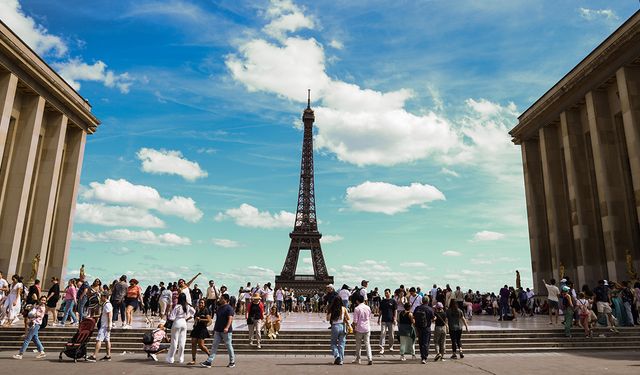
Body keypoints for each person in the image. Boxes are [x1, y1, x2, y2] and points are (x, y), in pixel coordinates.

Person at [200, 293, 235, 368]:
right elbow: (217, 319)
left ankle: (232, 361)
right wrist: (214, 328)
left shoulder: (229, 308)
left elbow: (230, 319)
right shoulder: (219, 308)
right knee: (214, 346)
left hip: (226, 331)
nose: (220, 299)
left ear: (225, 300)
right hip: (218, 330)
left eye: (221, 298)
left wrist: (227, 327)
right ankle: (209, 361)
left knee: (229, 346)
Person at [13, 295, 47, 359]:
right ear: (40, 300)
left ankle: (20, 354)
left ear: (45, 301)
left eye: (44, 300)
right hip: (33, 323)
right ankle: (42, 352)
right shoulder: (38, 306)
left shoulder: (42, 308)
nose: (43, 301)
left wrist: (33, 313)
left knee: (27, 339)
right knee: (35, 338)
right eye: (42, 300)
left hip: (36, 324)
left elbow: (39, 315)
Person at [166, 293, 194, 364]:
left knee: (174, 341)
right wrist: (188, 317)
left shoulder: (177, 306)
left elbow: (172, 317)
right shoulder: (187, 306)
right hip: (184, 323)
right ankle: (181, 358)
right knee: (182, 342)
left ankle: (171, 358)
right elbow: (194, 312)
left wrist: (168, 315)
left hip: (177, 322)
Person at [87, 291, 113, 362]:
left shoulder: (107, 305)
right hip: (106, 325)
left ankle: (94, 356)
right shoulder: (106, 304)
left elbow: (109, 315)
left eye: (101, 296)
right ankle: (108, 355)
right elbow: (105, 315)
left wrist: (109, 325)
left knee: (99, 340)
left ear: (105, 297)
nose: (100, 298)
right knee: (107, 340)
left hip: (105, 326)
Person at [327, 295, 350, 365]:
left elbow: (327, 319)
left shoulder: (331, 308)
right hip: (342, 327)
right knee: (341, 344)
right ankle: (341, 360)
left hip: (335, 326)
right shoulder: (343, 308)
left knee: (333, 343)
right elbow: (348, 318)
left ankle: (337, 356)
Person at [351, 293, 373, 365]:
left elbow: (355, 321)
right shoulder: (368, 307)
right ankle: (370, 358)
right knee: (367, 344)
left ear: (357, 301)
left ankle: (358, 359)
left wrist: (353, 327)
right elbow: (369, 317)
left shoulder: (357, 308)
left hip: (359, 328)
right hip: (367, 328)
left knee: (358, 344)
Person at [188, 299, 211, 365]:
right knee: (193, 344)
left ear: (204, 304)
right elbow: (195, 318)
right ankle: (193, 360)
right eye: (200, 303)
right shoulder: (197, 310)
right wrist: (195, 322)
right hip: (196, 329)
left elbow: (209, 320)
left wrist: (200, 319)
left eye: (202, 303)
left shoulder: (206, 310)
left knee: (201, 345)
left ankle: (210, 356)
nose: (200, 304)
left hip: (202, 329)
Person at [413, 295, 435, 364]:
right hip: (427, 328)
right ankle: (424, 357)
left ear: (422, 301)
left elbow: (414, 316)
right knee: (426, 342)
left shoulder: (417, 308)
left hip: (419, 327)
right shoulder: (430, 309)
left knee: (421, 342)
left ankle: (422, 355)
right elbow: (433, 318)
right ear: (428, 301)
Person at [377, 288, 396, 354]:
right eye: (385, 293)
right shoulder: (382, 301)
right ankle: (382, 347)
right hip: (384, 320)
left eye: (387, 293)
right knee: (383, 333)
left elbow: (395, 310)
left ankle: (391, 346)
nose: (386, 294)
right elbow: (380, 311)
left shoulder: (393, 301)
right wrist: (379, 318)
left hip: (391, 320)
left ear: (390, 293)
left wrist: (395, 318)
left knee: (391, 334)